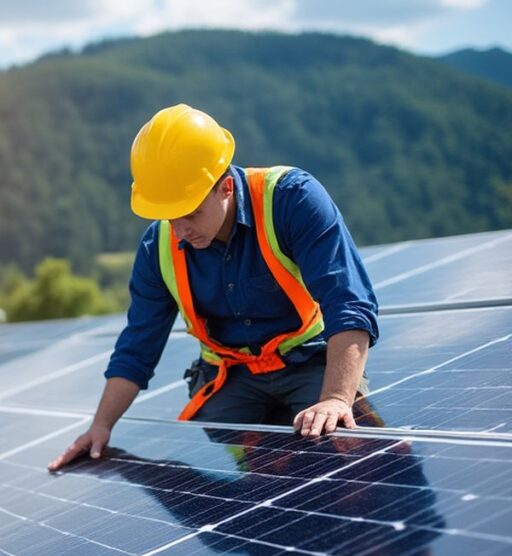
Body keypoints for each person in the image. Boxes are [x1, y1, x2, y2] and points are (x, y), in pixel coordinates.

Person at [49, 104, 378, 472]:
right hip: (229, 380)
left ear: (225, 187)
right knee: (251, 487)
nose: (179, 231)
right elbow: (137, 346)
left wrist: (335, 397)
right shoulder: (156, 249)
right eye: (168, 216)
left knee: (344, 454)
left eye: (189, 213)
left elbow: (348, 301)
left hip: (309, 359)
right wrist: (101, 425)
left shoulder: (292, 199)